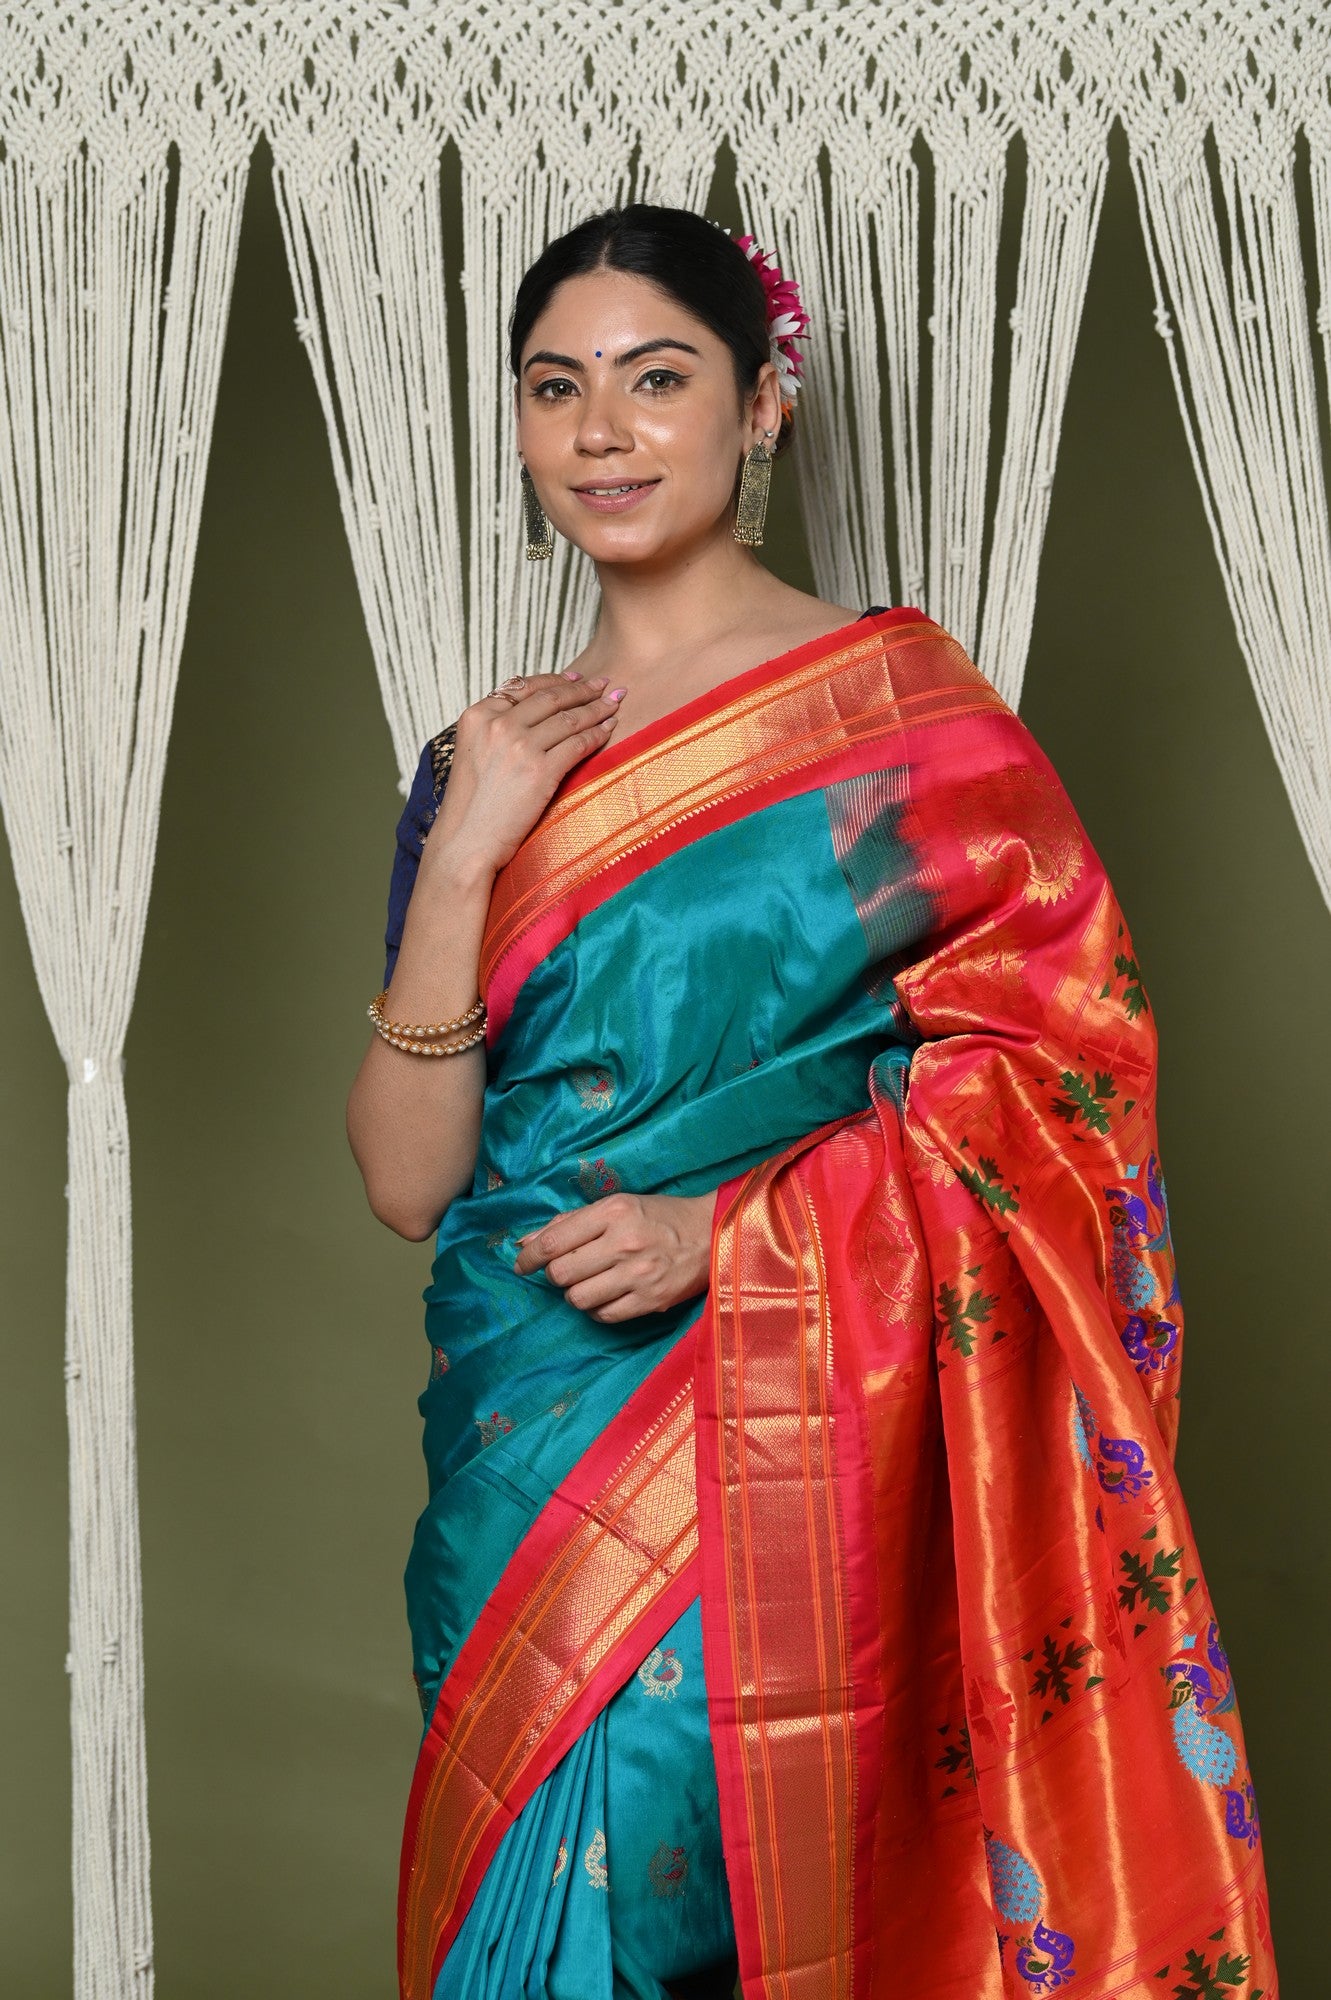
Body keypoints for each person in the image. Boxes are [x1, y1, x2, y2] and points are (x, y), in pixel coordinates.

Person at [346, 206, 1276, 2000]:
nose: (601, 432)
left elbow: (1057, 1079)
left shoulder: (898, 725)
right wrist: (461, 854)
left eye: (656, 379)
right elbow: (405, 1182)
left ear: (763, 404)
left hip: (776, 1429)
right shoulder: (481, 763)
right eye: (555, 387)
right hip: (522, 1441)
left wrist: (733, 1228)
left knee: (727, 1893)